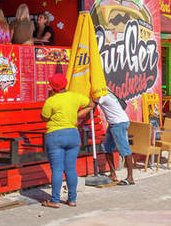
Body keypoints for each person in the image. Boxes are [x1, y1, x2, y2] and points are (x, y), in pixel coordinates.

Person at [40, 72, 91, 208]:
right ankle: (72, 200)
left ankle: (55, 201)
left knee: (57, 169)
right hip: (73, 135)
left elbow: (44, 117)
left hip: (55, 136)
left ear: (53, 87)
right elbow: (91, 104)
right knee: (70, 169)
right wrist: (77, 115)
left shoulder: (51, 101)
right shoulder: (75, 96)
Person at [97, 90, 134, 185]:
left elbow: (91, 105)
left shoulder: (102, 94)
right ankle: (113, 174)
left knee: (124, 150)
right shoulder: (106, 89)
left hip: (118, 123)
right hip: (114, 123)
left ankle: (130, 178)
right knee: (106, 147)